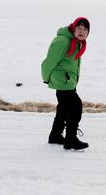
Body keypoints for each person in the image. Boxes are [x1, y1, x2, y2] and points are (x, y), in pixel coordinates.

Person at [41, 17, 90, 150]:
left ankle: (55, 135)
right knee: (75, 107)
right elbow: (49, 61)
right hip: (62, 80)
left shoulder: (76, 42)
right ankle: (71, 139)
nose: (82, 31)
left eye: (85, 29)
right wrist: (46, 78)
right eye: (79, 28)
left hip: (66, 80)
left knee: (63, 108)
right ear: (74, 28)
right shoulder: (63, 41)